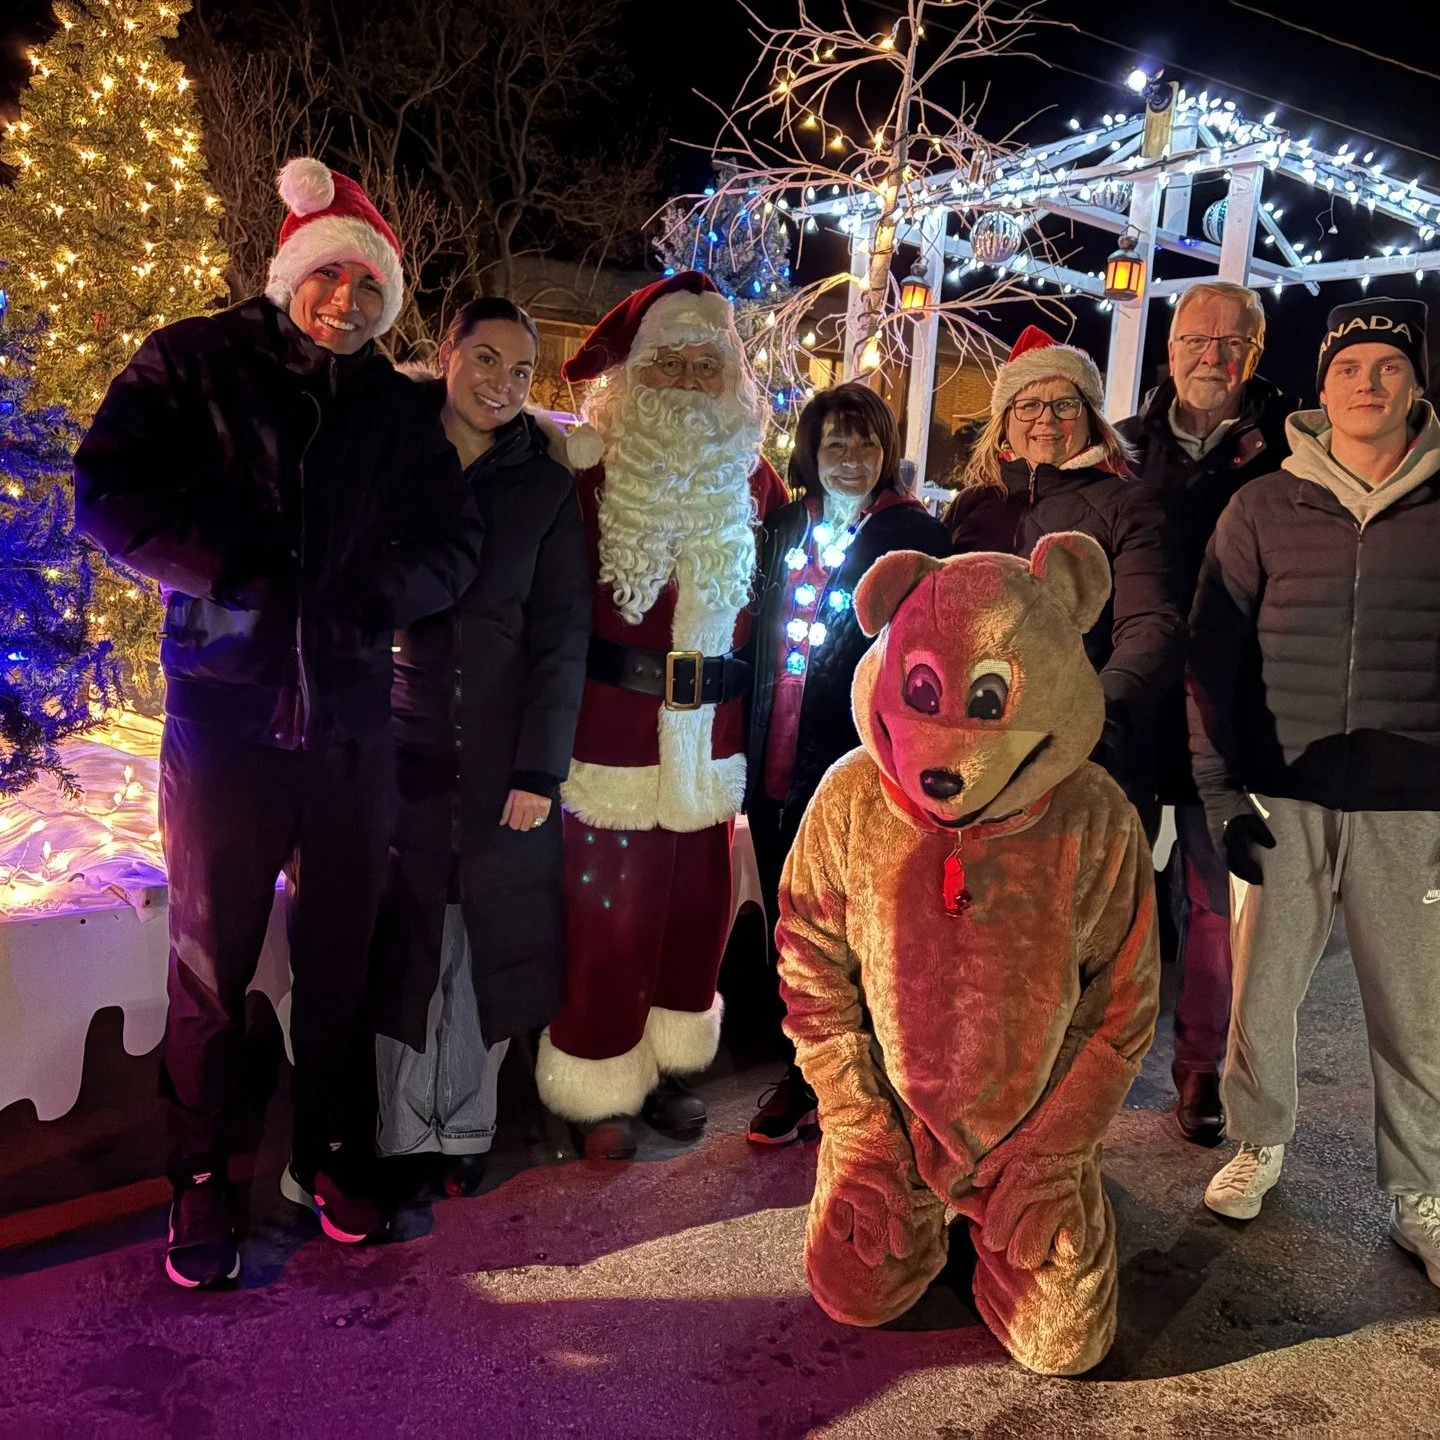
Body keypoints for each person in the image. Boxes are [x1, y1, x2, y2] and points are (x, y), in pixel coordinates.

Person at [73, 158, 483, 1288]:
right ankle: (200, 1182)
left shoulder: (398, 411)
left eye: (369, 287)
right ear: (295, 272)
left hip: (351, 720)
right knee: (211, 961)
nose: (346, 303)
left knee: (341, 957)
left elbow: (455, 542)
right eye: (330, 278)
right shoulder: (195, 360)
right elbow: (102, 489)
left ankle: (333, 1154)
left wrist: (371, 596)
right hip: (227, 716)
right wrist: (228, 570)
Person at [1190, 297, 1440, 1288]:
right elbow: (1211, 652)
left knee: (1415, 1011)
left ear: (1416, 384)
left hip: (1412, 803)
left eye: (1388, 367)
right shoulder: (1261, 506)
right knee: (1266, 992)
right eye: (1349, 368)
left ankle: (1420, 1188)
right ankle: (1260, 1140)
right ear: (1322, 386)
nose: (1368, 385)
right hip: (1283, 794)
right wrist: (1218, 793)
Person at [534, 270, 788, 1161]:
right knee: (609, 920)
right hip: (610, 737)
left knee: (695, 917)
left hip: (711, 746)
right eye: (669, 361)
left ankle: (671, 1069)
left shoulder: (757, 482)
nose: (686, 378)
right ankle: (598, 1077)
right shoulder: (585, 469)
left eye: (703, 362)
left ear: (731, 377)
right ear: (635, 375)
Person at [368, 298, 590, 1197]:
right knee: (407, 938)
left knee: (485, 936)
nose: (503, 385)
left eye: (521, 372)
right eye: (487, 359)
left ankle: (466, 1126)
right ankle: (397, 1134)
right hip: (398, 742)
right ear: (445, 355)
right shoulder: (393, 456)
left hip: (503, 752)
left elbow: (561, 632)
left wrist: (541, 765)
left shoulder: (542, 485)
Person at [744, 383, 949, 1146]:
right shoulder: (789, 527)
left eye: (865, 444)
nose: (852, 460)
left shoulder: (916, 537)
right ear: (812, 452)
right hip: (776, 763)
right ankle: (802, 1072)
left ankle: (866, 1091)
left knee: (865, 934)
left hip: (862, 770)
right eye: (836, 444)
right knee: (792, 930)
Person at [1119, 281, 1294, 1149]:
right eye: (1196, 339)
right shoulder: (1124, 447)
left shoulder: (1290, 450)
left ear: (1254, 356)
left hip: (1229, 701)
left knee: (1212, 899)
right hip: (1135, 699)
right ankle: (1091, 1057)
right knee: (1107, 888)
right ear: (1170, 346)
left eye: (1233, 343)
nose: (1212, 357)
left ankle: (1199, 1068)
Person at [945, 326, 1186, 835]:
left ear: (1092, 417)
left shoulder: (1129, 505)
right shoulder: (973, 504)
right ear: (1005, 418)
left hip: (1088, 754)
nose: (1045, 421)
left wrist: (1097, 713)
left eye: (1065, 405)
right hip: (975, 755)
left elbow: (1151, 626)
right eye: (1028, 406)